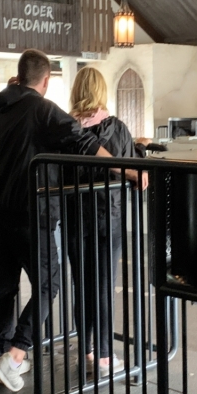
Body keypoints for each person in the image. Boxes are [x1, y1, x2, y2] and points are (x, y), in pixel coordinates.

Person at [0, 49, 144, 393]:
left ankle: (4, 349)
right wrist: (128, 168)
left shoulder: (1, 106)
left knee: (5, 282)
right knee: (48, 283)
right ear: (46, 81)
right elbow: (84, 141)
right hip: (31, 210)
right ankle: (14, 356)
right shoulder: (42, 109)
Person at [66, 66, 138, 378]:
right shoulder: (118, 129)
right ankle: (106, 356)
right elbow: (132, 165)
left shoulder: (66, 130)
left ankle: (86, 352)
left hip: (75, 217)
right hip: (108, 219)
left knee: (81, 285)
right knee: (104, 285)